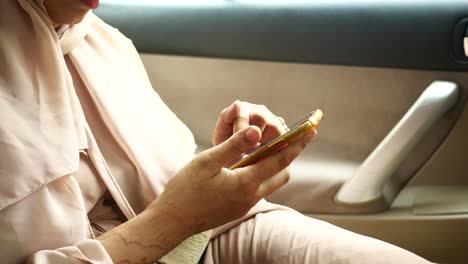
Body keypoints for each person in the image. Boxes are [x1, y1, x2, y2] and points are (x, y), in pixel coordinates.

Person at [0, 0, 433, 263]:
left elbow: (149, 195)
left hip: (205, 244)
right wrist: (175, 219)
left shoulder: (98, 39)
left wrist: (225, 163)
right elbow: (165, 218)